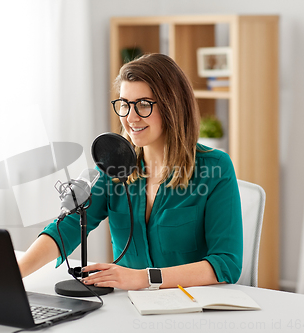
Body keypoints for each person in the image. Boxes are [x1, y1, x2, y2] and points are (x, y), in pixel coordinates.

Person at [18, 53, 242, 290]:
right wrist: (13, 274)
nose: (130, 117)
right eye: (124, 104)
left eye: (144, 104)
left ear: (172, 107)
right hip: (128, 306)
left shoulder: (215, 168)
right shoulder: (114, 164)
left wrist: (143, 278)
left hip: (191, 306)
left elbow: (226, 263)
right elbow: (70, 225)